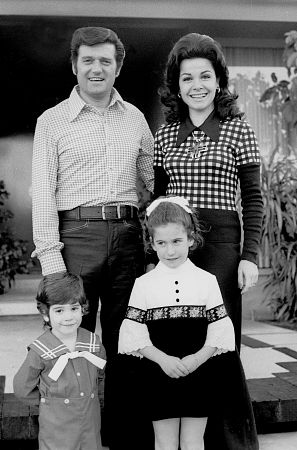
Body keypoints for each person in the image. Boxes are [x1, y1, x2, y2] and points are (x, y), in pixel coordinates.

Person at [31, 26, 154, 359]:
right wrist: (51, 263)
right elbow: (42, 193)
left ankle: (121, 411)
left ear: (118, 67)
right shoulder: (51, 121)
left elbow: (154, 183)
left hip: (127, 238)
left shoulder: (136, 119)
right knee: (72, 340)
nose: (96, 69)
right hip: (76, 239)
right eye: (87, 60)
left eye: (105, 61)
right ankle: (75, 410)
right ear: (74, 65)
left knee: (128, 338)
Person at [117, 197, 259, 450]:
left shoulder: (206, 280)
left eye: (176, 241)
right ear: (151, 243)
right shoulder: (144, 284)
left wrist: (196, 359)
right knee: (164, 442)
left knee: (193, 441)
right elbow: (133, 333)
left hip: (199, 371)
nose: (170, 251)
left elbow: (220, 330)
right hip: (159, 372)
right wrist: (163, 360)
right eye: (161, 243)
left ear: (191, 239)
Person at [153, 33, 263, 350]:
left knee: (220, 339)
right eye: (187, 78)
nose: (196, 85)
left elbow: (253, 199)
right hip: (175, 244)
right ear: (177, 86)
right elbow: (158, 200)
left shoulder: (239, 130)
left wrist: (250, 257)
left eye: (205, 76)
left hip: (222, 245)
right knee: (178, 336)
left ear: (218, 82)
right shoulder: (165, 133)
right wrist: (153, 254)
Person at [13, 272, 106, 450]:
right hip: (57, 426)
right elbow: (22, 388)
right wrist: (49, 400)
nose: (68, 316)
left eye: (74, 308)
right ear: (45, 314)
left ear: (83, 309)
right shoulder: (40, 350)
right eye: (59, 310)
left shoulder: (93, 342)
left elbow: (100, 375)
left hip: (90, 423)